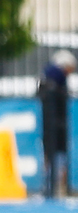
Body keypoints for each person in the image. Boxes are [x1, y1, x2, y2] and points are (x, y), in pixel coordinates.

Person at [39, 49, 75, 199]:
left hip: (55, 123)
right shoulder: (55, 76)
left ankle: (54, 185)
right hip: (55, 123)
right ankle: (53, 184)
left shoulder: (51, 78)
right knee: (55, 152)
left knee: (55, 153)